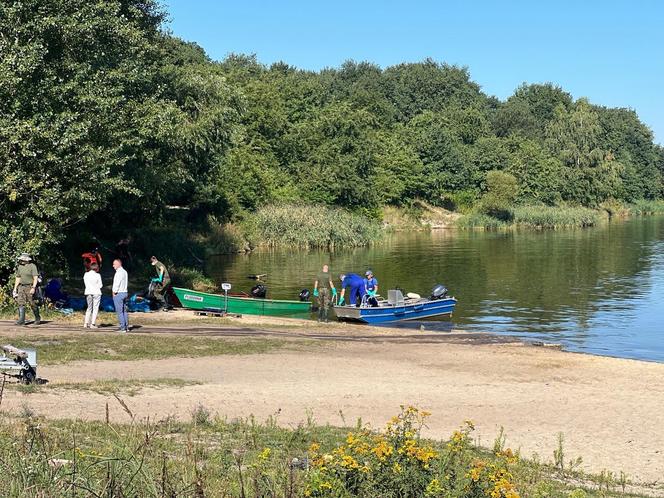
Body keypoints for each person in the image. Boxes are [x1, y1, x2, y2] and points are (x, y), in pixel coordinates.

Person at [12, 253, 41, 326]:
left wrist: (33, 288)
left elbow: (35, 278)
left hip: (30, 286)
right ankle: (21, 320)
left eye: (23, 259)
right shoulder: (20, 267)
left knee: (32, 303)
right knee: (20, 302)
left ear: (26, 260)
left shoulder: (32, 266)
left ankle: (37, 318)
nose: (21, 260)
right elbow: (18, 277)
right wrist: (15, 288)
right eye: (21, 259)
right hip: (21, 287)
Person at [112, 258, 129, 333]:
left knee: (120, 312)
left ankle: (123, 328)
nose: (113, 266)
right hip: (125, 292)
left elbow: (116, 284)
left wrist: (114, 292)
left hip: (119, 293)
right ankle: (126, 326)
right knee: (124, 311)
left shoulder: (118, 273)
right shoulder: (125, 272)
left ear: (119, 264)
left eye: (114, 264)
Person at [83, 262, 103, 329]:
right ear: (96, 268)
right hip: (96, 292)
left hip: (88, 292)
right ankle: (93, 324)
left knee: (89, 308)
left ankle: (86, 323)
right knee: (95, 308)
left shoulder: (86, 274)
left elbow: (85, 283)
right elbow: (100, 285)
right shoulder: (98, 275)